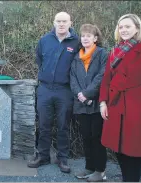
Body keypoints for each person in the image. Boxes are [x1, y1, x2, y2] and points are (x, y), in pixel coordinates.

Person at [99, 14, 141, 182]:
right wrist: (103, 102)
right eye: (121, 27)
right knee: (117, 146)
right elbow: (106, 79)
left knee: (134, 148)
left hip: (137, 106)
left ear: (137, 28)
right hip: (115, 104)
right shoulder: (115, 50)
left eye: (128, 26)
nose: (123, 30)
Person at [27, 12, 80, 173]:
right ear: (54, 22)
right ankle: (43, 156)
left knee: (63, 125)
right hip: (45, 89)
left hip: (65, 90)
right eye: (58, 21)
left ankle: (62, 158)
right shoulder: (44, 40)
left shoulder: (77, 42)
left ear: (70, 22)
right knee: (43, 124)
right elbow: (39, 60)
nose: (61, 24)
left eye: (64, 21)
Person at [70, 24, 108, 182]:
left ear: (95, 38)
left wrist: (87, 93)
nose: (85, 38)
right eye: (83, 36)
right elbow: (72, 78)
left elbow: (102, 75)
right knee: (86, 136)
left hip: (97, 103)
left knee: (97, 137)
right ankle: (89, 167)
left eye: (88, 36)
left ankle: (100, 171)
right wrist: (80, 94)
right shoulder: (76, 57)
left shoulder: (102, 54)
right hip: (81, 104)